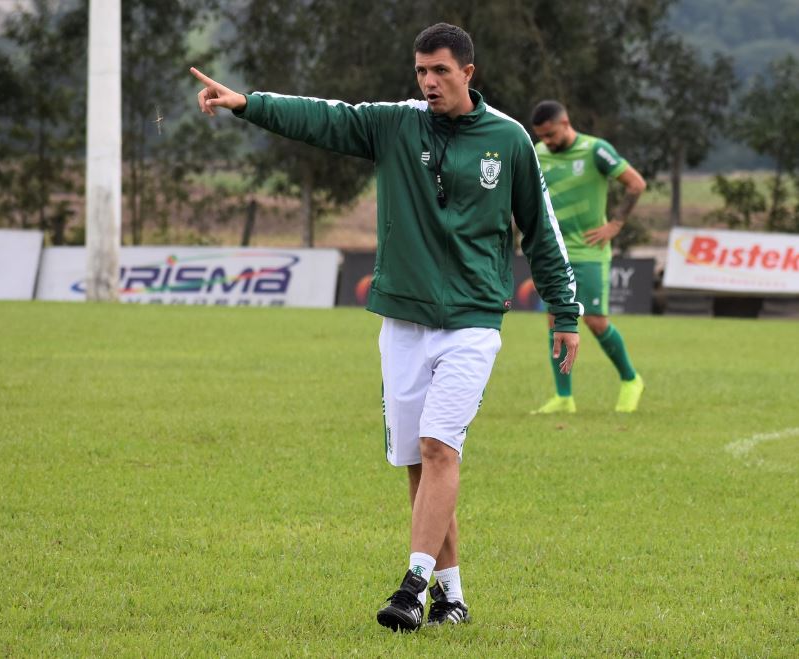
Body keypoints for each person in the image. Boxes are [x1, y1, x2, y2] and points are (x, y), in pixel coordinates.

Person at [192, 23, 582, 632]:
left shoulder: (508, 140)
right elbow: (322, 118)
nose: (427, 82)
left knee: (439, 446)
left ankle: (411, 587)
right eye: (421, 70)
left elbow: (542, 231)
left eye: (440, 71)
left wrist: (565, 313)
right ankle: (451, 597)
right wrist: (247, 104)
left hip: (473, 322)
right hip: (402, 319)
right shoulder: (394, 122)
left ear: (468, 73)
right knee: (418, 463)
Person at [529, 101, 646, 414]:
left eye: (551, 134)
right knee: (555, 322)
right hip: (554, 253)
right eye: (542, 136)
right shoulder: (538, 154)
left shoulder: (596, 150)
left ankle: (631, 379)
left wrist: (616, 224)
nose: (548, 141)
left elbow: (636, 183)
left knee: (594, 321)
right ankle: (564, 397)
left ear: (566, 122)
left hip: (588, 251)